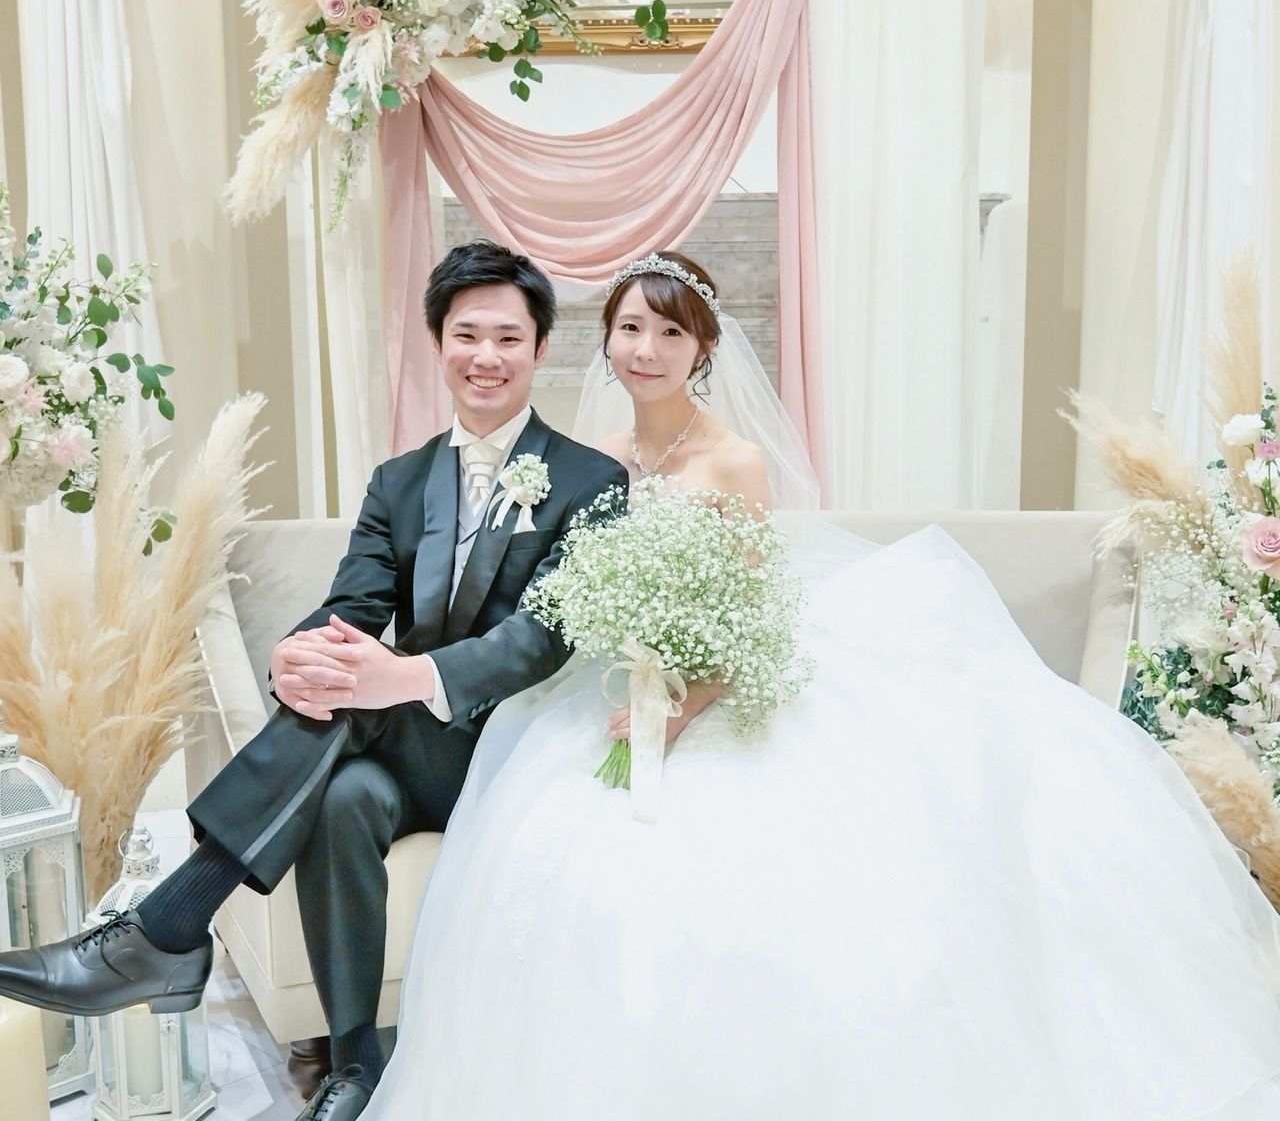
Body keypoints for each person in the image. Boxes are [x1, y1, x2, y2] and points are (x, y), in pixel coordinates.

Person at [362, 251, 1280, 1120]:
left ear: (704, 348)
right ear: (605, 339)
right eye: (632, 328)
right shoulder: (594, 459)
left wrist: (681, 706)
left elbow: (753, 610)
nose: (647, 350)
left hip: (717, 686)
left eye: (672, 333)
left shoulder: (734, 462)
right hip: (618, 678)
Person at [0, 241, 627, 1121]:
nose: (486, 356)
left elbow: (541, 639)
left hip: (509, 754)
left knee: (362, 704)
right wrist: (295, 658)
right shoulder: (400, 482)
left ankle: (166, 928)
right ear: (437, 343)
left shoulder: (594, 482)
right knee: (343, 799)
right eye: (466, 335)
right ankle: (355, 1063)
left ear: (540, 348)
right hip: (406, 756)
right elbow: (351, 606)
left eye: (507, 338)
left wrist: (400, 675)